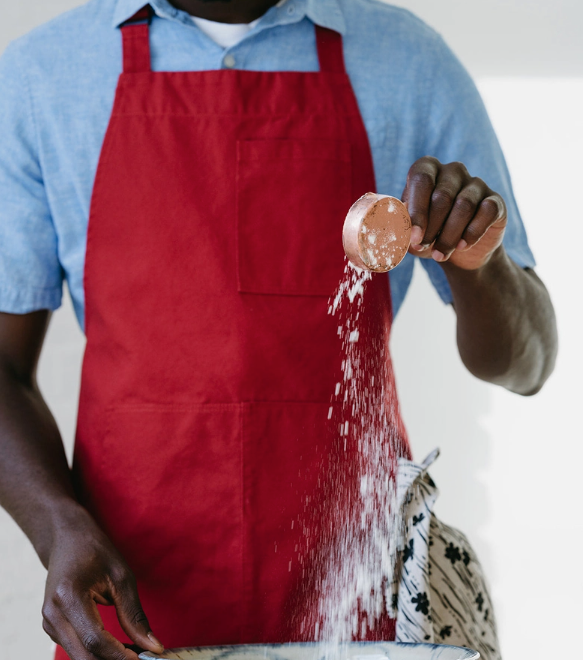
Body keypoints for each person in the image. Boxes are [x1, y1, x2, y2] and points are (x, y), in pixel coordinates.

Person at [0, 0, 558, 658]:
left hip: (353, 598)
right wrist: (55, 524)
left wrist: (477, 264)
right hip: (134, 606)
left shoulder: (409, 63)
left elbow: (526, 364)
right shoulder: (43, 77)